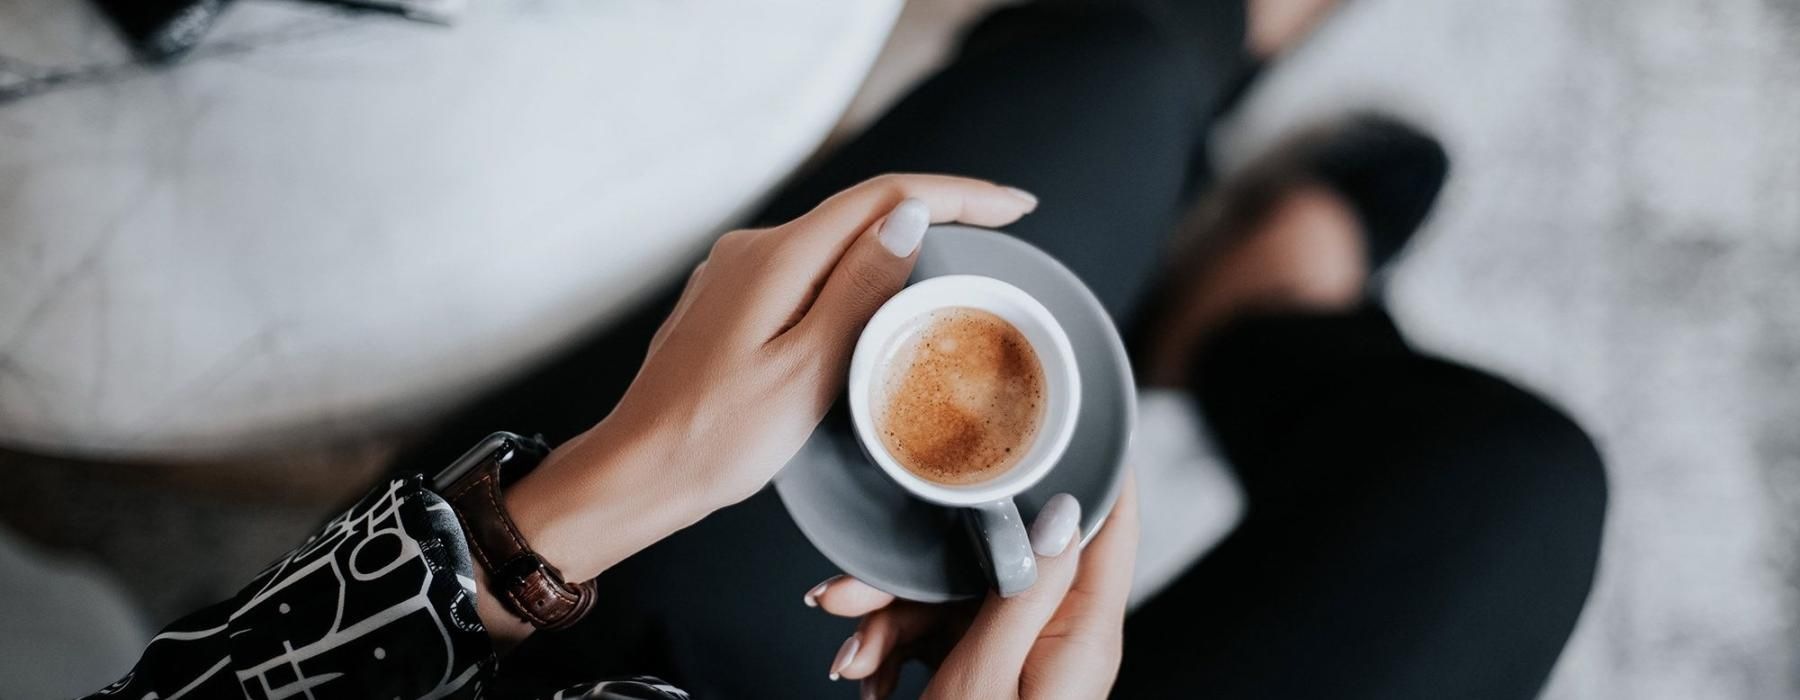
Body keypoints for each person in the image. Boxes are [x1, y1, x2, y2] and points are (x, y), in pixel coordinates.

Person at [85, 0, 1607, 698]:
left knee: (1114, 82)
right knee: (1511, 486)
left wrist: (595, 495)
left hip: (548, 653)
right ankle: (1263, 317)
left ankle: (1207, 58)